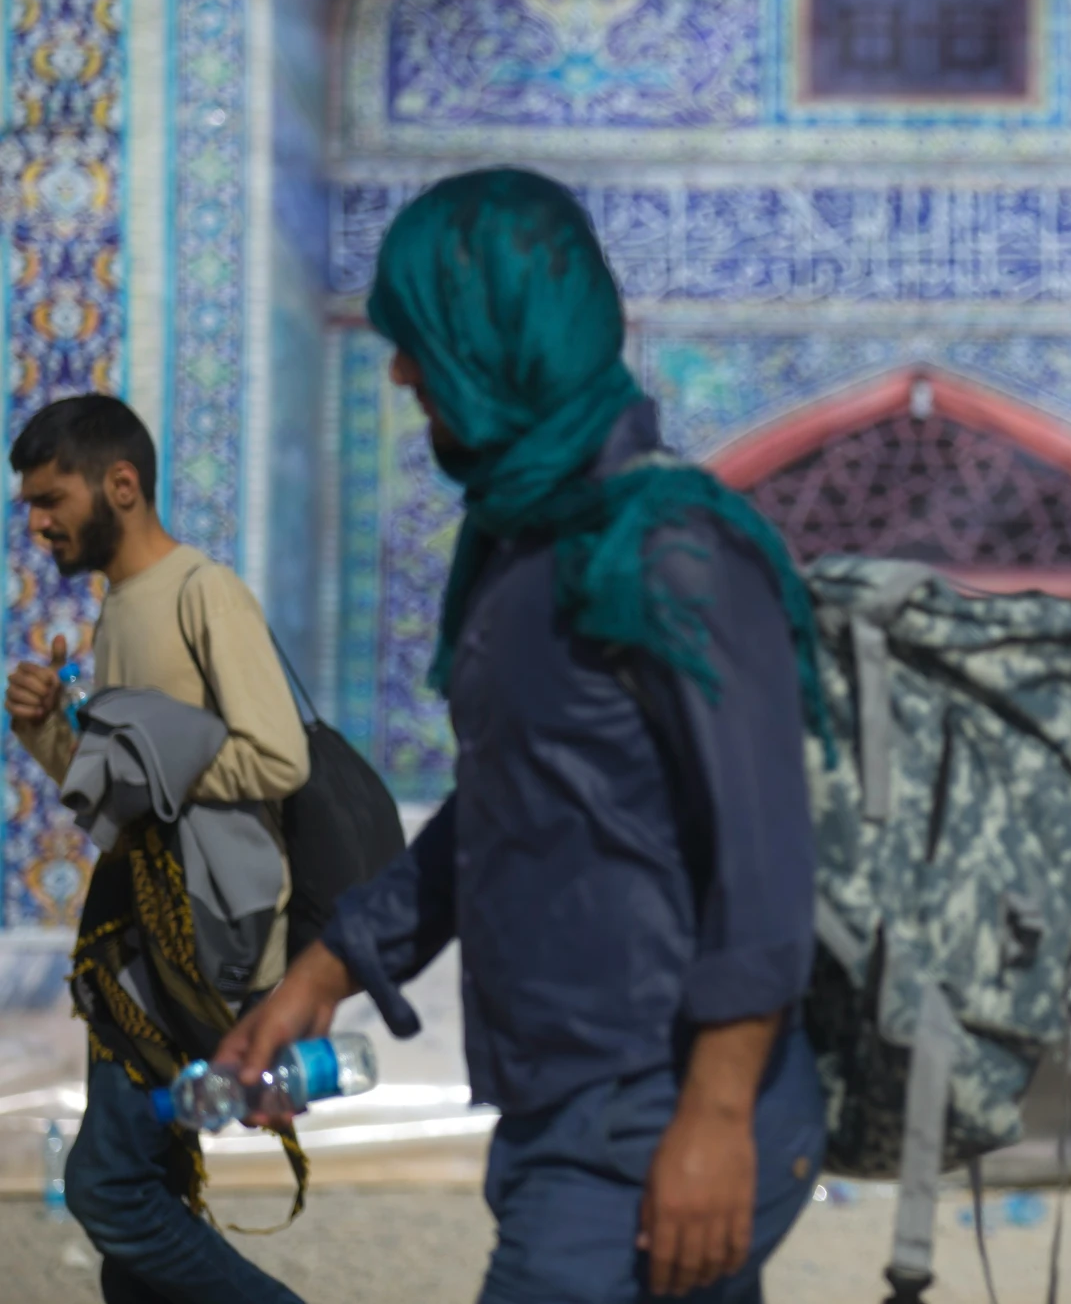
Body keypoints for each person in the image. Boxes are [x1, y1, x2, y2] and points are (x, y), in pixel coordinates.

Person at [216, 168, 831, 1302]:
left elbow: (764, 857)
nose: (401, 372)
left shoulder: (673, 548)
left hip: (659, 1104)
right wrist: (330, 966)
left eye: (424, 342)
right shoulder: (522, 550)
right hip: (568, 1105)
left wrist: (715, 1116)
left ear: (503, 339)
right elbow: (507, 805)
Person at [4, 394, 311, 1304]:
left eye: (51, 498)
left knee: (110, 1188)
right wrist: (46, 729)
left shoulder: (199, 591)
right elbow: (122, 794)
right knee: (144, 1218)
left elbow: (277, 756)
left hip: (199, 942)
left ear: (122, 485)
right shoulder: (120, 610)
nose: (38, 523)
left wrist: (151, 757)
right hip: (141, 940)